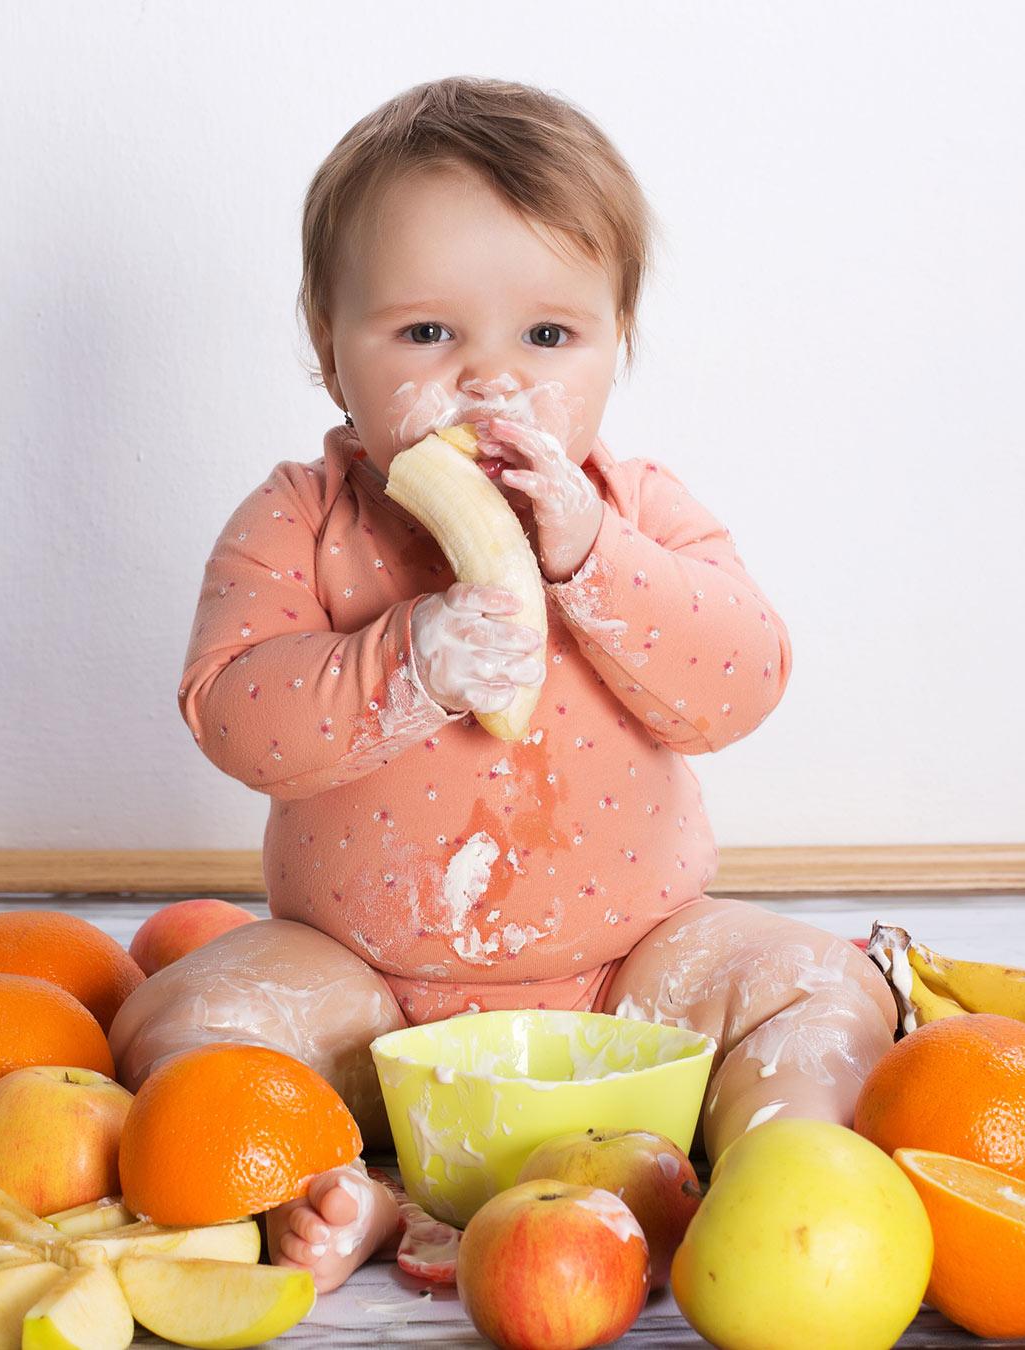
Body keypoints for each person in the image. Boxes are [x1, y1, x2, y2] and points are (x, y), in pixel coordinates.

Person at [108, 75, 897, 1293]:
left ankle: (777, 1178)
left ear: (618, 341)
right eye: (428, 334)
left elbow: (743, 680)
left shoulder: (639, 511)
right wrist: (404, 661)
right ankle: (331, 1182)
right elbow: (229, 712)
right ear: (328, 347)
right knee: (179, 1023)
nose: (490, 381)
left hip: (636, 976)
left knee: (821, 985)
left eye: (548, 337)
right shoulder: (300, 519)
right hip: (365, 988)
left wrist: (596, 562)